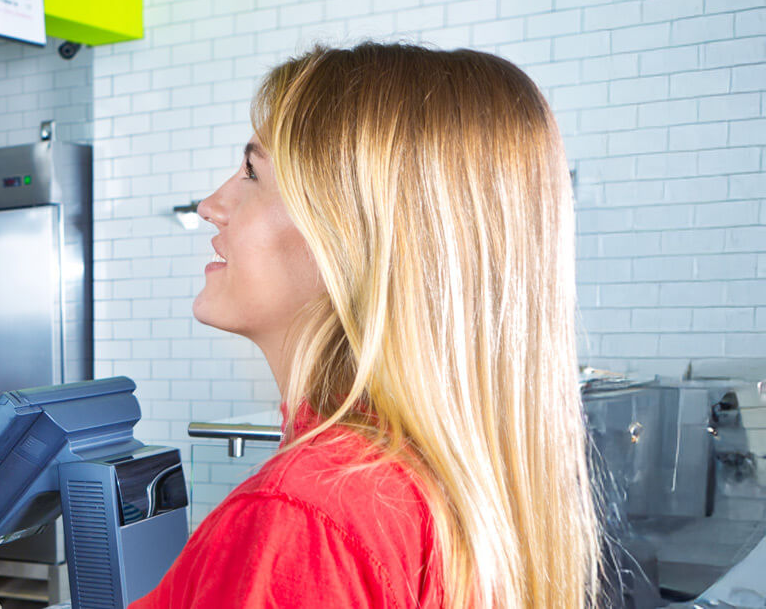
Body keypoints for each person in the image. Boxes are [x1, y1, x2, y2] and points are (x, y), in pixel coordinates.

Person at [133, 44, 599, 608]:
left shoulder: (303, 519)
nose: (210, 205)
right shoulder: (449, 485)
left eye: (252, 174)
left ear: (350, 234)